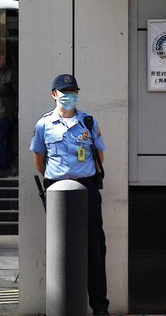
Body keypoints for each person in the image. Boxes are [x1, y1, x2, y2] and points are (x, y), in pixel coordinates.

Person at [30, 74, 110, 316]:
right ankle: (62, 306)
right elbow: (39, 162)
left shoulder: (88, 121)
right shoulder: (44, 124)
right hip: (56, 192)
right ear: (54, 94)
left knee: (95, 249)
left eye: (73, 90)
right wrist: (59, 180)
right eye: (64, 90)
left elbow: (99, 158)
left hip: (87, 189)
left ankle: (99, 307)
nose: (68, 95)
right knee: (61, 248)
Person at [0, 47, 18, 177]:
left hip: (5, 113)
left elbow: (18, 93)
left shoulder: (10, 74)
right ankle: (11, 161)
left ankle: (2, 168)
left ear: (3, 59)